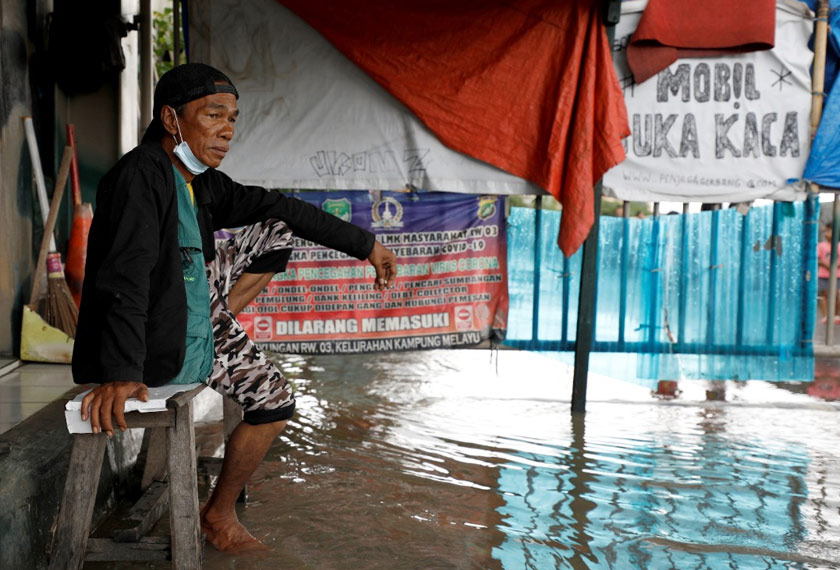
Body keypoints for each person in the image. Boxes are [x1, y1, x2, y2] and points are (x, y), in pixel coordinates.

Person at [71, 63, 397, 552]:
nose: (227, 130)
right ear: (171, 119)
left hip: (192, 302)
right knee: (268, 396)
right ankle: (219, 512)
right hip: (156, 329)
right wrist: (120, 372)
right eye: (213, 114)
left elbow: (281, 206)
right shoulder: (140, 176)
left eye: (233, 119)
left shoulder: (200, 182)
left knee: (277, 229)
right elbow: (126, 277)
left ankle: (217, 510)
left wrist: (366, 245)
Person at [817, 223, 840, 324]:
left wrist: (834, 266)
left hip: (836, 275)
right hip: (823, 275)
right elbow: (817, 259)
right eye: (824, 231)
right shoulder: (821, 246)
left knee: (836, 294)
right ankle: (825, 316)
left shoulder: (838, 246)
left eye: (828, 231)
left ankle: (835, 315)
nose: (825, 233)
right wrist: (825, 264)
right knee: (824, 295)